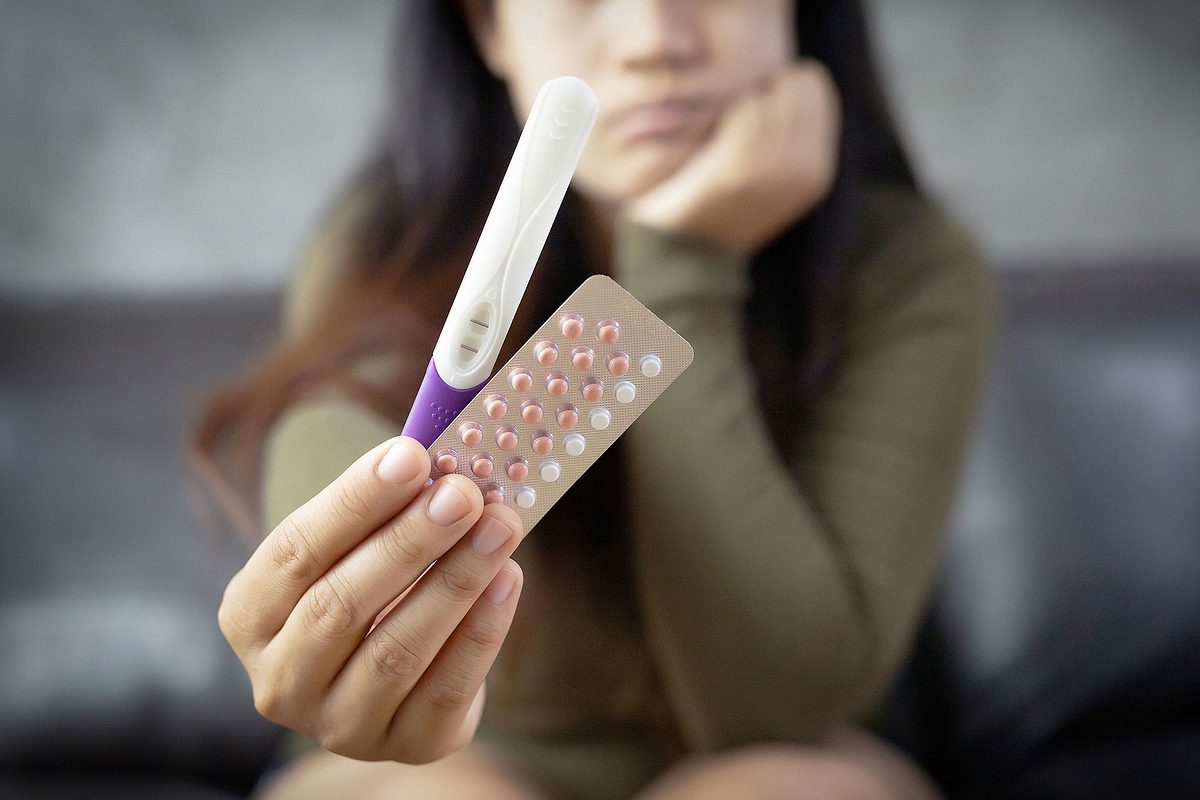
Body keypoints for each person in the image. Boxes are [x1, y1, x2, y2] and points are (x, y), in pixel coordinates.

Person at [196, 1, 993, 797]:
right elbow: (353, 594)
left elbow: (780, 704)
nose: (655, 41)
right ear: (488, 28)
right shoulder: (388, 244)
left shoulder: (904, 268)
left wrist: (681, 265)